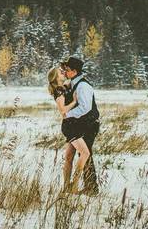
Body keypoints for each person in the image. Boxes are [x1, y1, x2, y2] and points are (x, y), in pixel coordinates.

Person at [60, 56, 100, 194]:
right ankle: (83, 187)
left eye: (68, 69)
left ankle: (91, 188)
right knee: (79, 155)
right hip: (79, 125)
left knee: (86, 155)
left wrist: (67, 114)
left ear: (75, 71)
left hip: (89, 124)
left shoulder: (83, 86)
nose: (65, 71)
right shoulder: (73, 83)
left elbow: (85, 108)